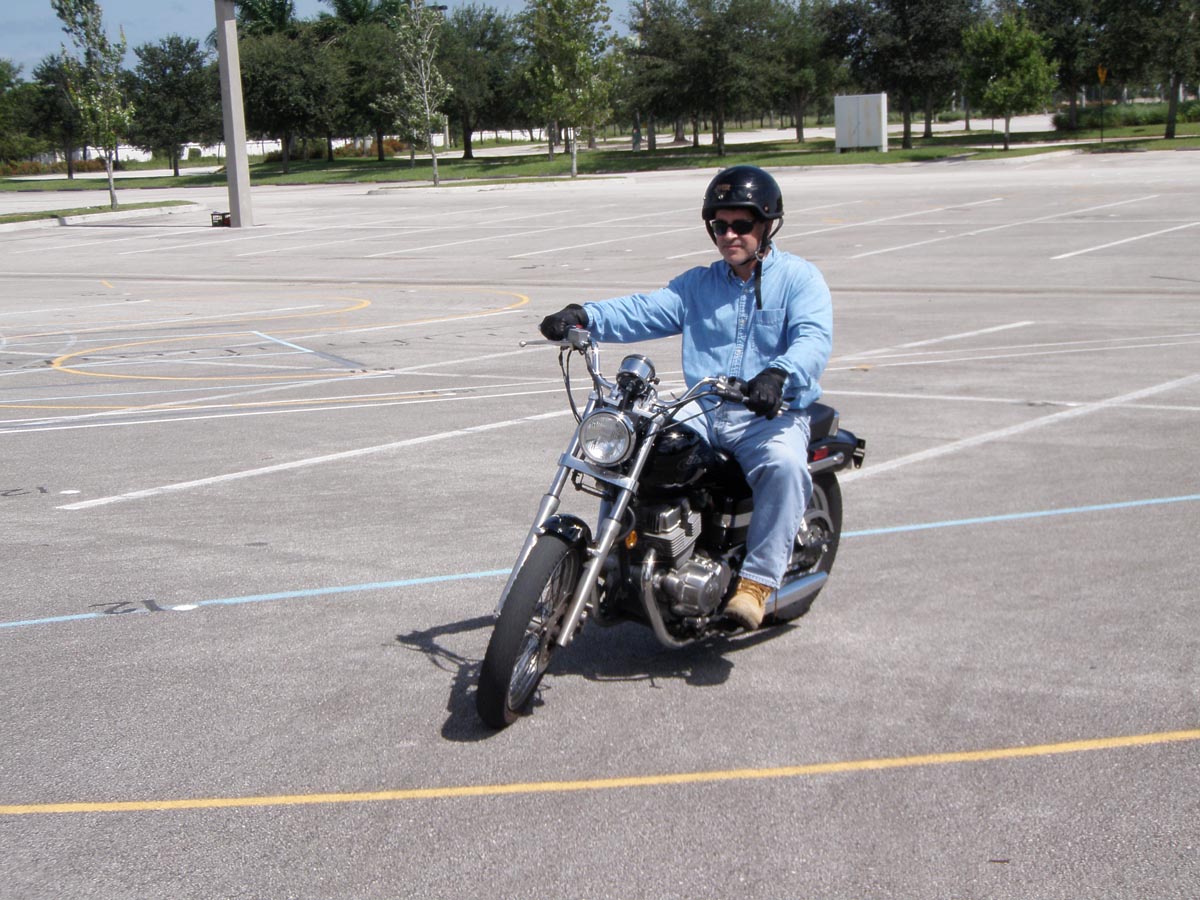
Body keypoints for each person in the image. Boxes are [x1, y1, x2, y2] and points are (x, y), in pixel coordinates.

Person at [539, 165, 833, 630]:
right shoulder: (698, 285)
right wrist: (584, 315)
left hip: (769, 414)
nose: (729, 235)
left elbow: (813, 339)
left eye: (742, 224)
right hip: (705, 407)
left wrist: (779, 373)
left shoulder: (800, 279)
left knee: (783, 466)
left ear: (767, 225)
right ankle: (616, 557)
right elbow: (644, 310)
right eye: (720, 225)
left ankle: (757, 583)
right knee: (634, 445)